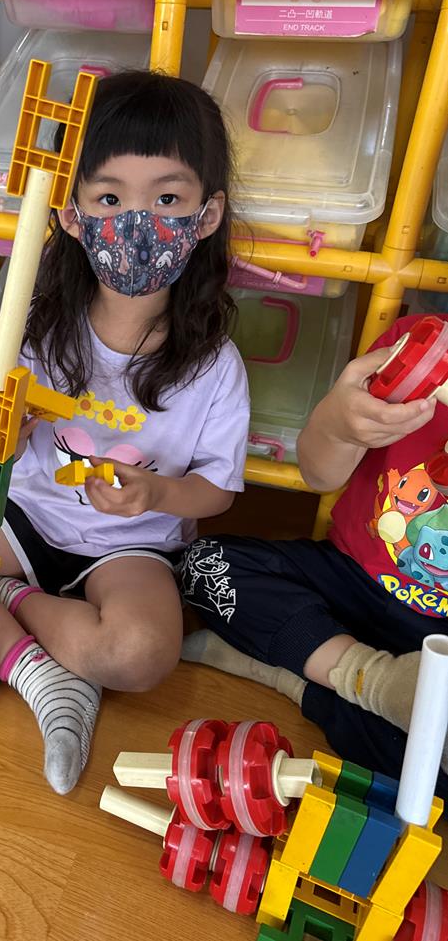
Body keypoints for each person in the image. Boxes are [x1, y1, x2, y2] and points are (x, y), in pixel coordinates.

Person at [0, 70, 250, 795]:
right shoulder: (37, 326)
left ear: (206, 216)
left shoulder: (213, 364)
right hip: (23, 518)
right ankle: (43, 675)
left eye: (166, 199)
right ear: (72, 216)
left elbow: (217, 490)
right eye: (109, 199)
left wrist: (157, 494)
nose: (136, 222)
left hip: (128, 547)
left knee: (140, 653)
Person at [179, 313, 448, 796]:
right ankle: (374, 682)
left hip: (438, 640)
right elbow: (319, 475)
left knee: (431, 773)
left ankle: (298, 677)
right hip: (348, 580)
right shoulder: (419, 346)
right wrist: (340, 426)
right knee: (203, 566)